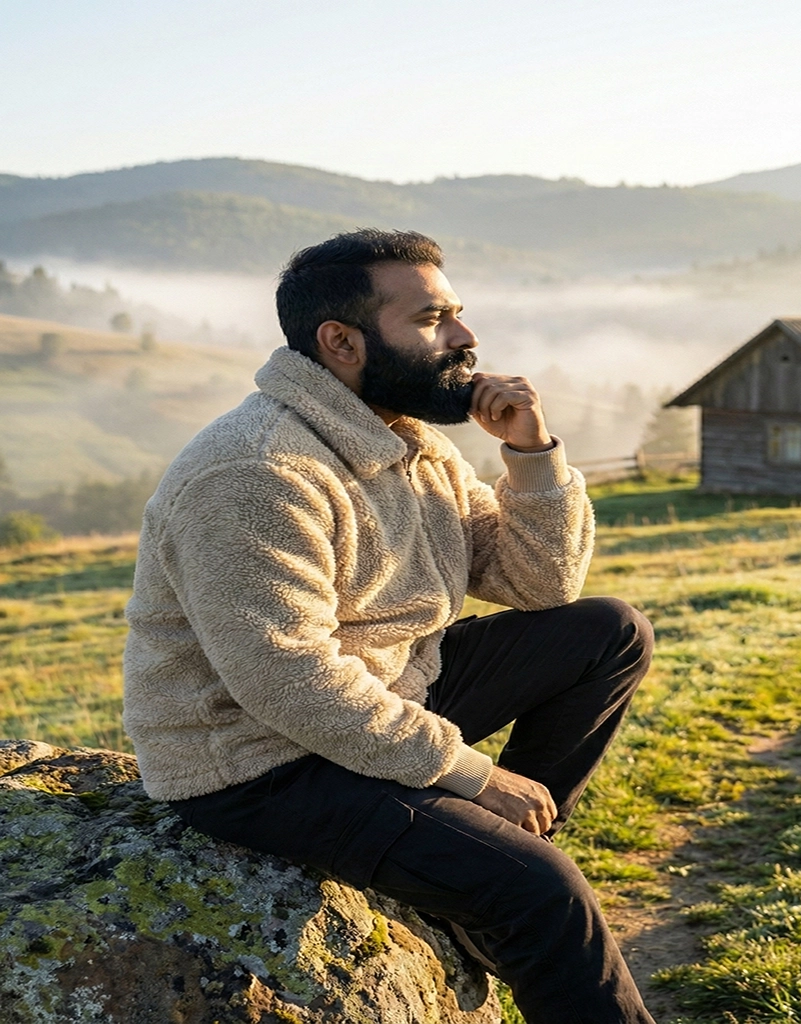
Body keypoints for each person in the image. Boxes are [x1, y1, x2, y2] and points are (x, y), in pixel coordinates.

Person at [122, 229, 656, 1024]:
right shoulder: (258, 471)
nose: (467, 339)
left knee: (609, 630)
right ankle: (502, 881)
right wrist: (472, 776)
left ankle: (477, 882)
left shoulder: (411, 442)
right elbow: (284, 680)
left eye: (458, 314)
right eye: (433, 319)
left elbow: (538, 583)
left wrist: (531, 452)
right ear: (340, 342)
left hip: (387, 696)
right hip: (262, 761)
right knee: (546, 893)